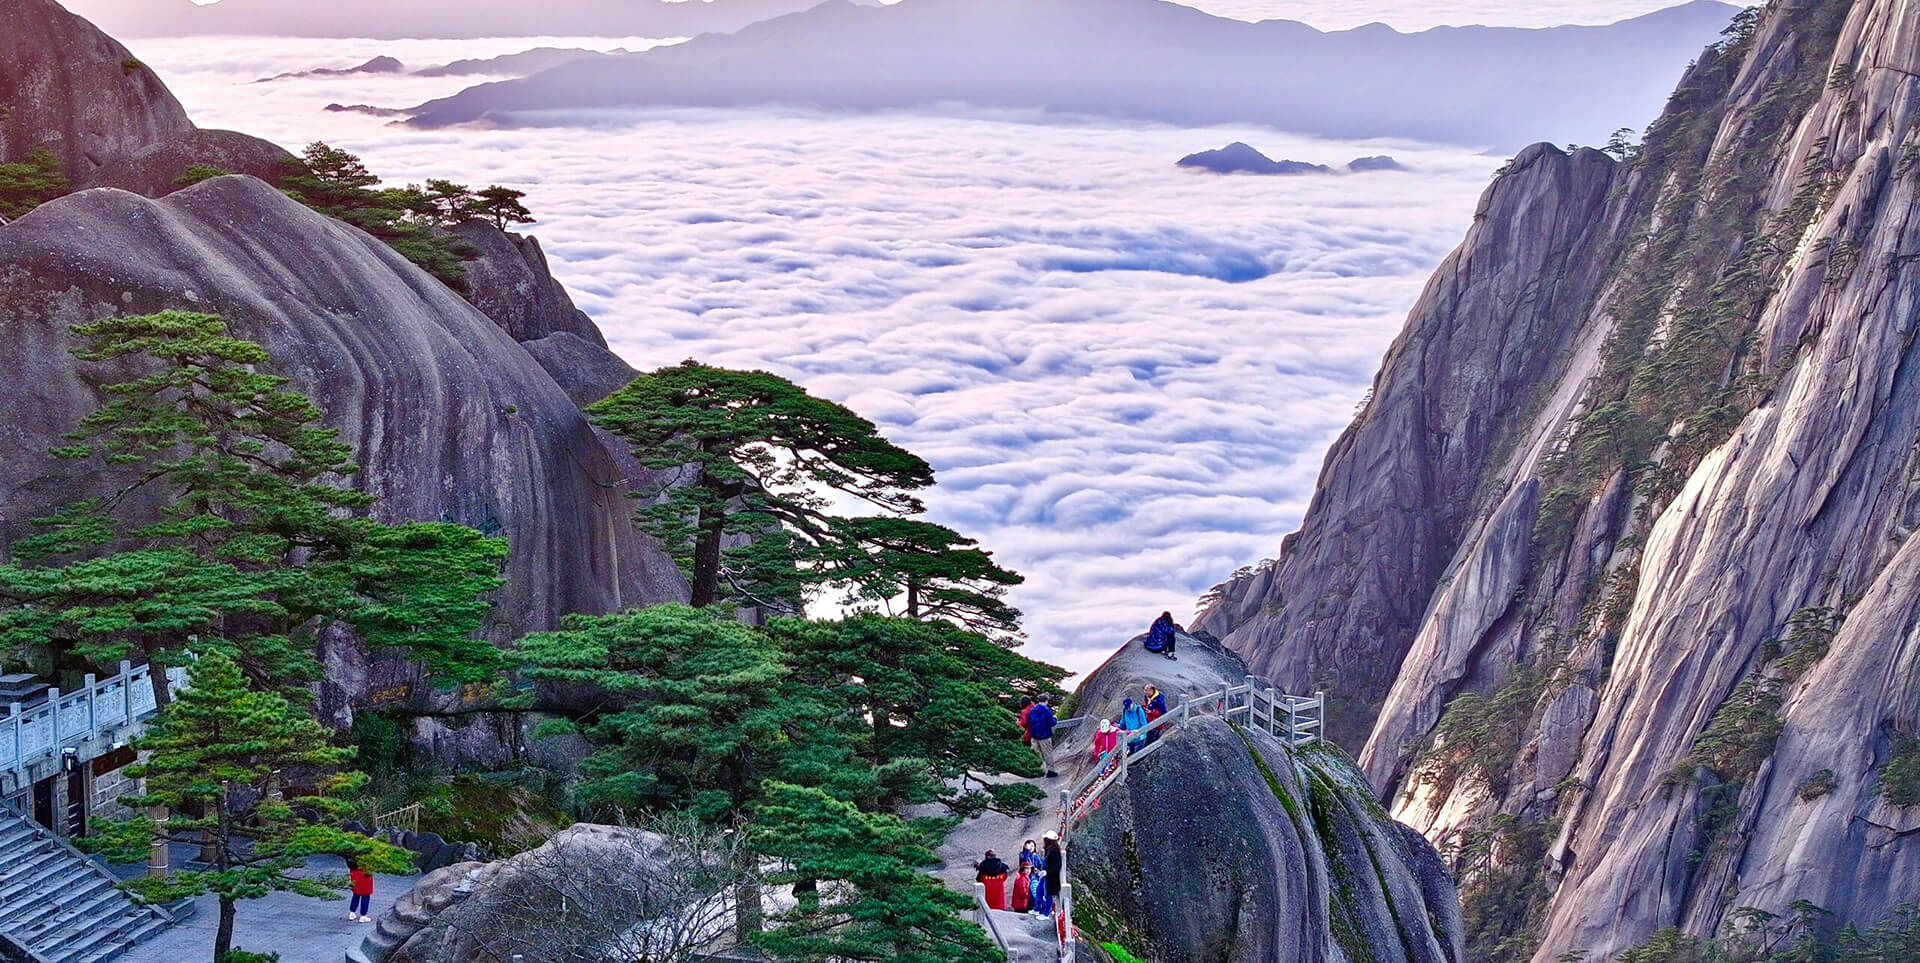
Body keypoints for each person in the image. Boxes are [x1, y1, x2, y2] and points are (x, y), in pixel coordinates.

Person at [1027, 694, 1060, 778]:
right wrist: (1055, 718)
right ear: (1046, 701)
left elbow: (1029, 723)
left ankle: (1039, 770)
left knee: (1037, 753)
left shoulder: (1032, 710)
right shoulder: (1046, 710)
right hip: (1044, 735)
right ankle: (1051, 771)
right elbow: (1052, 723)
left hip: (1034, 736)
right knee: (1047, 753)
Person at [1040, 832, 1064, 917]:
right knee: (1045, 894)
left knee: (1048, 896)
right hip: (1048, 877)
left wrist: (1047, 872)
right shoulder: (1051, 850)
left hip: (1051, 878)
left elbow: (1056, 866)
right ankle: (1045, 912)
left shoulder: (1054, 851)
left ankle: (1046, 913)